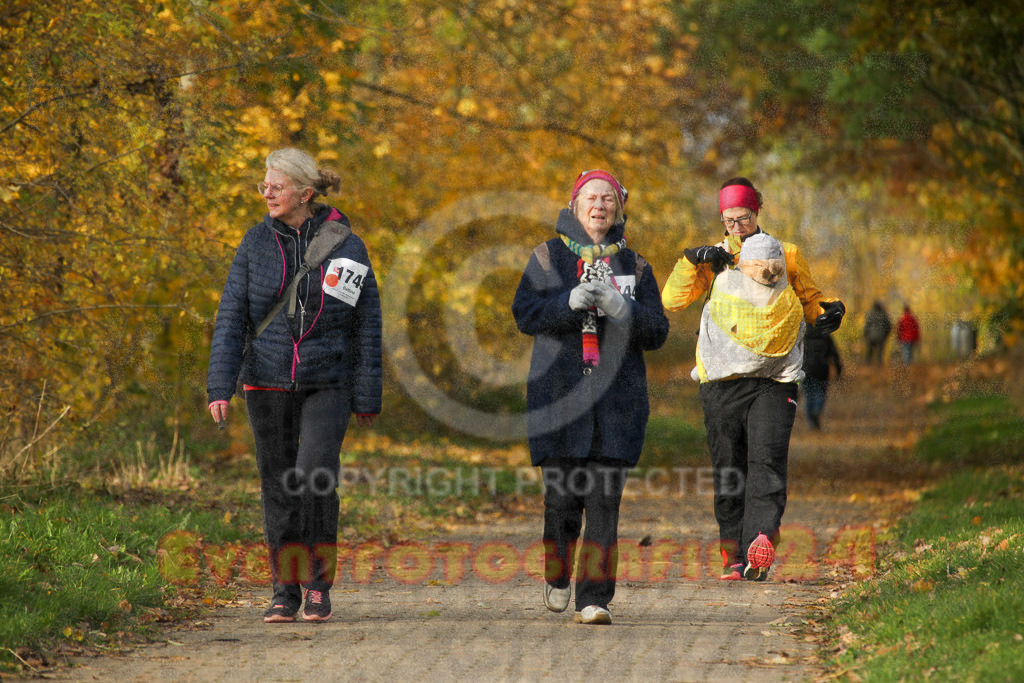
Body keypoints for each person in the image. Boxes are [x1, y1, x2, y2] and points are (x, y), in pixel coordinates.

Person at [207, 148, 382, 624]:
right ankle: (285, 589)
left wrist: (367, 395)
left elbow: (366, 324)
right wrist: (220, 386)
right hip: (266, 380)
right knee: (279, 486)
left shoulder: (348, 246)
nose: (266, 192)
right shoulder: (255, 244)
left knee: (313, 475)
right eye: (264, 185)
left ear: (305, 194)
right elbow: (232, 317)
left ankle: (318, 584)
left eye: (276, 186)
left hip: (328, 380)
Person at [662, 176, 845, 581]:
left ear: (756, 212)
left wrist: (829, 312)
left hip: (775, 379)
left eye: (742, 218)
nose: (736, 228)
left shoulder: (787, 253)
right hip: (722, 380)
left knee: (767, 459)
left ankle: (759, 541)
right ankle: (732, 553)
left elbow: (809, 300)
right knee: (729, 466)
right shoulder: (717, 256)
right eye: (728, 220)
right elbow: (673, 300)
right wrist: (692, 259)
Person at [512, 170, 669, 625]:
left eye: (607, 200)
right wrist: (568, 302)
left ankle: (594, 599)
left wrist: (625, 310)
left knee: (604, 504)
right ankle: (558, 575)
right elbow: (525, 314)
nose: (599, 206)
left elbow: (657, 330)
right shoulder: (546, 257)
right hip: (558, 398)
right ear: (575, 207)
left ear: (619, 209)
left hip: (617, 403)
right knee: (561, 504)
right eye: (590, 198)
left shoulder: (636, 267)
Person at [801, 325, 842, 430]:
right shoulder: (826, 335)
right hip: (821, 368)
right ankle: (817, 411)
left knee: (808, 394)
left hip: (805, 369)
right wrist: (838, 370)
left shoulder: (802, 335)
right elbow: (834, 354)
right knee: (820, 392)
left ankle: (811, 420)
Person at [863, 300, 892, 365]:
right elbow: (889, 326)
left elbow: (867, 326)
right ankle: (879, 363)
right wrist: (886, 335)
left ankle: (868, 363)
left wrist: (865, 335)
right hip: (881, 336)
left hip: (871, 336)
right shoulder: (884, 314)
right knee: (880, 351)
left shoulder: (870, 314)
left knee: (870, 350)